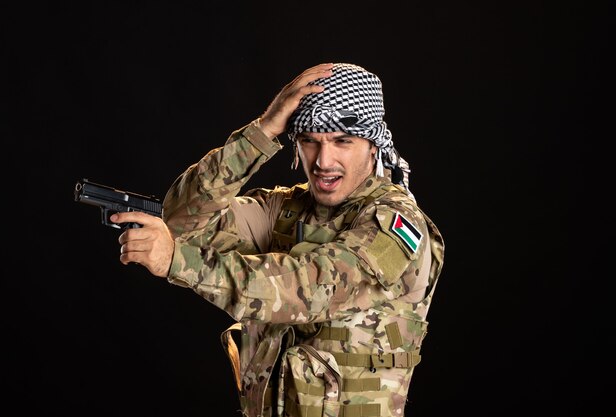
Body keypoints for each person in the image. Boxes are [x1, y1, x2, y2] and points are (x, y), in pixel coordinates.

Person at [111, 62, 445, 417]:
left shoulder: (397, 225)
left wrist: (178, 261)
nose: (323, 160)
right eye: (309, 141)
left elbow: (313, 286)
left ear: (373, 145)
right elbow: (180, 222)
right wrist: (264, 129)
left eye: (342, 141)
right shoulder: (283, 211)